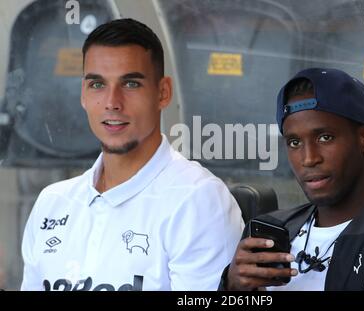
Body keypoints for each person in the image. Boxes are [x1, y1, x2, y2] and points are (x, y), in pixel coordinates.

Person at [20, 18, 244, 291]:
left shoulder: (198, 200)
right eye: (97, 85)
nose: (112, 102)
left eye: (130, 84)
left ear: (163, 93)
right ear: (83, 94)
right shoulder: (51, 202)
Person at [220, 68, 364, 291]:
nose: (309, 158)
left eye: (325, 137)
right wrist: (232, 288)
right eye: (294, 142)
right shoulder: (272, 228)